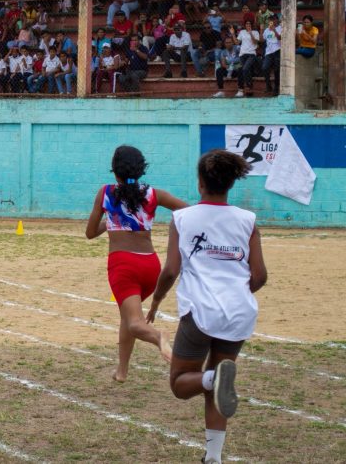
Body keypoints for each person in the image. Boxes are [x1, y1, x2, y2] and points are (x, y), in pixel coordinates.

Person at [147, 150, 267, 464]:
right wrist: (234, 294)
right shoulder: (248, 220)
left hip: (200, 312)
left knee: (181, 383)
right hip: (239, 313)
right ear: (231, 184)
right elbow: (259, 276)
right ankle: (213, 457)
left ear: (200, 183)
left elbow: (170, 270)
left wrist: (156, 300)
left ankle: (211, 380)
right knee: (221, 379)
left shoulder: (182, 218)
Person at [85, 145, 186, 382]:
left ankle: (159, 337)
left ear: (114, 170)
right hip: (150, 266)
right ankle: (122, 371)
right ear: (141, 169)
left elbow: (90, 233)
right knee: (127, 316)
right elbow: (189, 211)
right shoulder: (154, 194)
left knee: (134, 323)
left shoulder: (106, 192)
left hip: (123, 265)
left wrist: (111, 220)